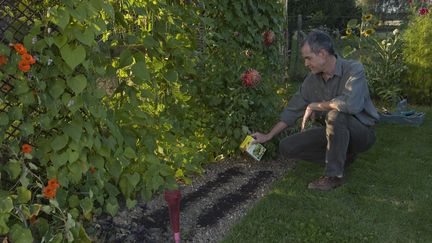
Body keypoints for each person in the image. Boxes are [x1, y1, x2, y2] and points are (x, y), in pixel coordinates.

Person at [252, 30, 379, 191]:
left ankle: (334, 176)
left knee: (336, 114)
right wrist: (268, 135)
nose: (306, 64)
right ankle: (343, 157)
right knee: (287, 146)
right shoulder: (311, 81)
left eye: (308, 58)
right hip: (334, 131)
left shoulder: (354, 69)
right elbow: (292, 110)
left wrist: (316, 106)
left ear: (323, 54)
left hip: (362, 134)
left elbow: (351, 105)